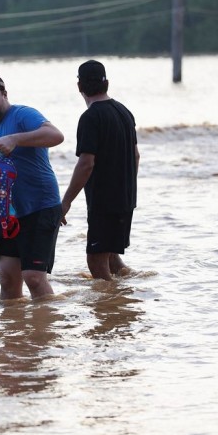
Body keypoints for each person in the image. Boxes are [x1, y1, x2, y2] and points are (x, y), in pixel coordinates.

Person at [0, 71, 65, 300]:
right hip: (8, 214)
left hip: (40, 206)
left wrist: (15, 139)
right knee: (7, 277)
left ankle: (45, 332)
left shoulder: (23, 115)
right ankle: (14, 335)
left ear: (4, 94)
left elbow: (56, 135)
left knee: (33, 276)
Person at [61, 60, 140, 280]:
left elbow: (86, 163)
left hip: (104, 202)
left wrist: (66, 202)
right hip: (126, 199)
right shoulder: (124, 112)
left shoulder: (90, 118)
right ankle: (123, 300)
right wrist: (127, 188)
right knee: (112, 256)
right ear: (107, 83)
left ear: (79, 86)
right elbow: (136, 156)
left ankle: (109, 309)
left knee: (96, 260)